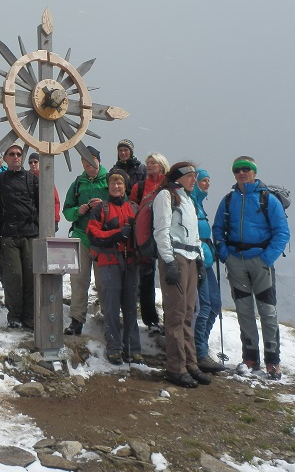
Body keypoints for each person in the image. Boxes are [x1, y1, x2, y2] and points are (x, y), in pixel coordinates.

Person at [212, 156, 290, 380]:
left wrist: (267, 258)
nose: (242, 173)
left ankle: (272, 361)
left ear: (254, 172)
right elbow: (218, 229)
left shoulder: (267, 200)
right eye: (237, 170)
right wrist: (226, 255)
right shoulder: (229, 200)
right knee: (244, 312)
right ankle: (250, 358)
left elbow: (282, 232)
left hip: (260, 262)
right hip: (237, 261)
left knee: (267, 312)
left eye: (246, 169)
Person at [153, 162, 211, 388]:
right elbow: (161, 230)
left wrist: (200, 260)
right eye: (191, 176)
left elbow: (194, 234)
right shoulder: (166, 197)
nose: (194, 180)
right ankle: (176, 368)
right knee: (176, 315)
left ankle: (190, 363)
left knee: (188, 312)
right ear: (179, 176)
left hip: (190, 260)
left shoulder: (187, 200)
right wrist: (168, 261)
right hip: (175, 258)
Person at [86, 169, 141, 364]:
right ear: (108, 187)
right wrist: (118, 234)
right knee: (111, 308)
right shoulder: (101, 209)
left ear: (125, 186)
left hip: (131, 263)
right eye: (112, 184)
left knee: (130, 307)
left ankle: (133, 349)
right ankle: (114, 347)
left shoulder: (135, 208)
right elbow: (92, 234)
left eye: (119, 183)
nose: (116, 187)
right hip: (109, 262)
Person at [62, 146, 108, 335]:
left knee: (103, 282)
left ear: (98, 160)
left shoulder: (110, 180)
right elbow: (67, 211)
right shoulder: (77, 183)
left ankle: (107, 318)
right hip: (81, 236)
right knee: (78, 281)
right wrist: (77, 211)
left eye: (91, 160)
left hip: (104, 239)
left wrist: (103, 207)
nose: (88, 165)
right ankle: (76, 320)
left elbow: (121, 205)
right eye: (84, 162)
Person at [0, 143, 39, 329]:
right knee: (13, 278)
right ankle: (14, 315)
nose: (16, 157)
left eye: (19, 154)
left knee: (30, 278)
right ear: (5, 158)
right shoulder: (0, 179)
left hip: (30, 234)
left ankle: (29, 316)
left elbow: (42, 204)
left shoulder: (31, 179)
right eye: (11, 154)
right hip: (9, 235)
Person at [129, 152, 170, 334]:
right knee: (145, 279)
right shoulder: (139, 187)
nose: (149, 165)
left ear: (162, 165)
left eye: (153, 162)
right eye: (148, 163)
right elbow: (131, 209)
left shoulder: (168, 186)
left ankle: (160, 320)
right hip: (145, 237)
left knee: (164, 278)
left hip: (164, 235)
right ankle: (149, 320)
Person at [191, 169, 224, 373]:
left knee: (214, 305)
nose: (208, 184)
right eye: (204, 180)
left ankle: (202, 344)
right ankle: (199, 351)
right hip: (198, 260)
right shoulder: (189, 204)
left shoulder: (199, 204)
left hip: (207, 259)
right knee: (204, 306)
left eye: (208, 180)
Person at [27, 152, 61, 231]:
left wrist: (55, 219)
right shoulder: (26, 178)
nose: (33, 164)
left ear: (40, 162)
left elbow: (55, 200)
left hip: (46, 217)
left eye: (35, 162)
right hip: (31, 218)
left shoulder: (46, 177)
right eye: (30, 162)